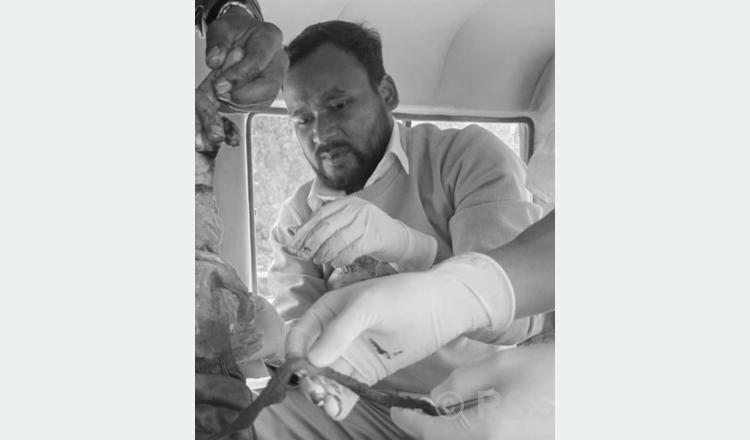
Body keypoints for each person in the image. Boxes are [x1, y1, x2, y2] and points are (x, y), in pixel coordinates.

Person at [249, 19, 544, 439]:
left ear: (386, 93)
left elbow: (517, 324)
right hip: (356, 404)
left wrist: (410, 249)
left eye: (338, 106)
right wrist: (277, 345)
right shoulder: (298, 216)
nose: (321, 133)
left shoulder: (466, 158)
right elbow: (303, 348)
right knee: (245, 421)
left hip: (472, 403)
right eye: (302, 119)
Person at [287, 210, 555, 439]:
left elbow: (522, 325)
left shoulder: (470, 168)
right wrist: (462, 292)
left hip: (470, 401)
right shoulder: (298, 209)